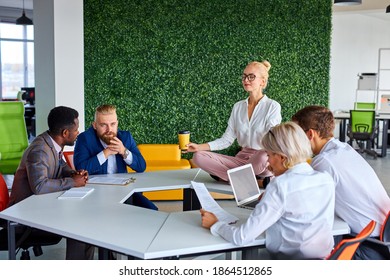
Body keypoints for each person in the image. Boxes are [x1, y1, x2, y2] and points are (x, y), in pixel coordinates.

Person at [200, 122, 335, 260]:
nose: (268, 163)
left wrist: (215, 224)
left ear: (282, 157)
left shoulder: (280, 185)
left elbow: (242, 237)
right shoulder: (326, 179)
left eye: (268, 155)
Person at [292, 105, 390, 260]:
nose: (293, 140)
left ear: (310, 134)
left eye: (296, 135)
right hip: (382, 237)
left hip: (365, 247)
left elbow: (301, 204)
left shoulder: (325, 162)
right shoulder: (344, 149)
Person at [9, 106, 95, 260]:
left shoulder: (51, 143)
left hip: (41, 207)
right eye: (76, 129)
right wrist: (72, 182)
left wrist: (73, 174)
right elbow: (39, 186)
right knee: (80, 225)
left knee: (87, 221)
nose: (78, 133)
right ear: (65, 133)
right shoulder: (40, 150)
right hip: (25, 217)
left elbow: (61, 165)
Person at [186, 60, 281, 185]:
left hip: (262, 161)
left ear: (262, 82)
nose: (246, 80)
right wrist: (198, 147)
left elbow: (273, 139)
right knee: (198, 157)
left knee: (263, 155)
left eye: (251, 77)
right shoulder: (238, 107)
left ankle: (229, 177)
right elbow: (227, 140)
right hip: (241, 159)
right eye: (244, 76)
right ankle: (251, 181)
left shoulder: (272, 106)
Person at [74, 104, 157, 210]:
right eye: (103, 125)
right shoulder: (84, 138)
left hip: (124, 191)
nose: (109, 129)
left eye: (113, 124)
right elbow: (81, 168)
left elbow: (141, 166)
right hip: (95, 195)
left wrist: (123, 151)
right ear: (95, 125)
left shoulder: (125, 137)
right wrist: (106, 153)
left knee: (152, 210)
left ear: (117, 123)